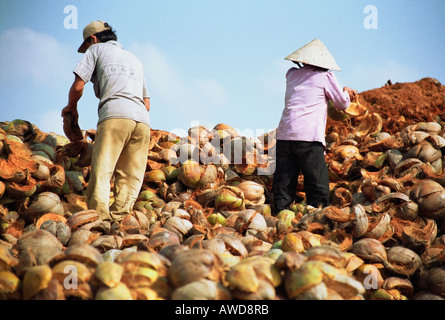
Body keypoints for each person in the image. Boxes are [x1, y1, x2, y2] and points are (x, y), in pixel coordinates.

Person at [61, 20, 151, 222]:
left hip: (115, 114)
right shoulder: (134, 58)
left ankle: (99, 219)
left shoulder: (95, 50)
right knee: (130, 175)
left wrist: (71, 108)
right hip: (142, 122)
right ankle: (120, 220)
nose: (86, 50)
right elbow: (147, 103)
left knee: (103, 168)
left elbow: (78, 87)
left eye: (86, 46)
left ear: (93, 39)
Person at [272, 39, 356, 214]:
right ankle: (317, 213)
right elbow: (341, 104)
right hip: (309, 137)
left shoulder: (291, 75)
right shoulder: (326, 77)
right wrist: (346, 92)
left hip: (285, 136)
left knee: (284, 179)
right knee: (316, 180)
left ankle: (280, 212)